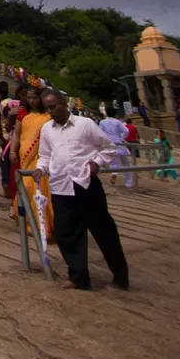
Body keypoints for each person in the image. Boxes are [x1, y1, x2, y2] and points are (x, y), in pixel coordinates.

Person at [35, 90, 130, 291]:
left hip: (85, 184)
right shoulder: (47, 130)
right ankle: (78, 276)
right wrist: (41, 169)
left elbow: (108, 148)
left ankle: (120, 276)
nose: (50, 111)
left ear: (64, 104)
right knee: (66, 232)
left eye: (53, 106)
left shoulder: (84, 125)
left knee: (103, 231)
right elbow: (45, 155)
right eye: (47, 108)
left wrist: (97, 163)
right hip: (61, 186)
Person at [8, 84, 53, 239]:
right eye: (29, 98)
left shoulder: (48, 115)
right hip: (25, 156)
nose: (32, 101)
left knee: (43, 189)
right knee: (26, 187)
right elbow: (16, 134)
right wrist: (13, 151)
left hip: (43, 157)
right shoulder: (23, 114)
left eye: (35, 98)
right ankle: (29, 223)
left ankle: (45, 226)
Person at [99, 107, 134, 189]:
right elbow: (126, 131)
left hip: (109, 144)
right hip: (119, 144)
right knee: (126, 164)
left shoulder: (102, 122)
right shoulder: (117, 122)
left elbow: (100, 133)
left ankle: (114, 173)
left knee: (114, 162)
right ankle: (128, 183)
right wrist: (121, 138)